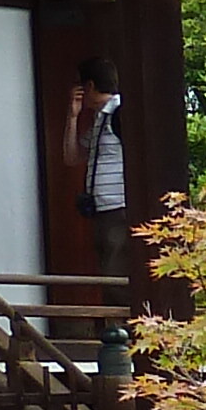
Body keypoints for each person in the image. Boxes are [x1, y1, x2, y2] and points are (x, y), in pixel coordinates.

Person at [59, 56, 131, 279]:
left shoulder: (120, 113)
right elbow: (72, 157)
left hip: (118, 207)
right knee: (107, 272)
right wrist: (72, 117)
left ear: (89, 86)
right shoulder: (101, 119)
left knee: (115, 275)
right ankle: (115, 315)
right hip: (102, 209)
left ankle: (121, 316)